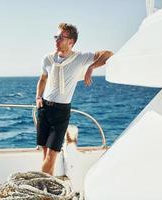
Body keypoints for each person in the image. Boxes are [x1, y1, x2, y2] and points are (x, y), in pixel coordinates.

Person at [35, 23, 113, 175]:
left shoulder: (81, 58)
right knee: (45, 153)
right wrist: (38, 97)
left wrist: (91, 67)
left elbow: (108, 54)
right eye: (56, 36)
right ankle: (46, 188)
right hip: (44, 109)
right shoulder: (48, 59)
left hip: (61, 112)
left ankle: (39, 189)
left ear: (71, 42)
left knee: (51, 156)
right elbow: (43, 79)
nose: (56, 40)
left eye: (61, 37)